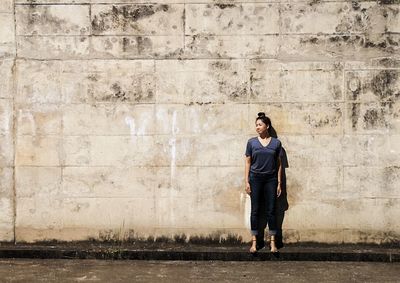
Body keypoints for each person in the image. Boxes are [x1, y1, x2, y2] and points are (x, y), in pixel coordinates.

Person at [245, 112, 282, 253]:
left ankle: (273, 243)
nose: (257, 127)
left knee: (271, 211)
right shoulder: (251, 143)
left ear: (267, 126)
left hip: (271, 180)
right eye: (256, 125)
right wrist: (247, 181)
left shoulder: (276, 143)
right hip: (255, 179)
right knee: (255, 211)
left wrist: (279, 183)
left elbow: (279, 165)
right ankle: (254, 243)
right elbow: (248, 162)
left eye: (260, 125)